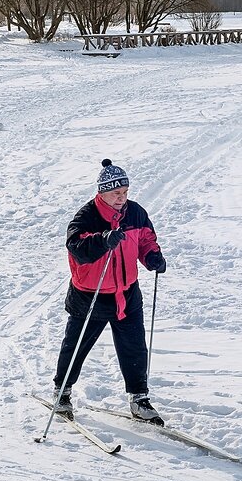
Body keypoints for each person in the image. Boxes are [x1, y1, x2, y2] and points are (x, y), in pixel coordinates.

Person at [52, 159, 167, 424]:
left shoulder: (135, 212)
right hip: (90, 296)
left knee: (134, 347)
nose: (122, 198)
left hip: (127, 293)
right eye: (116, 193)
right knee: (77, 346)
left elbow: (146, 238)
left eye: (125, 192)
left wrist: (152, 257)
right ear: (102, 192)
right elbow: (76, 248)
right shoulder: (86, 216)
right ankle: (62, 392)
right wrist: (103, 240)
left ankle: (139, 398)